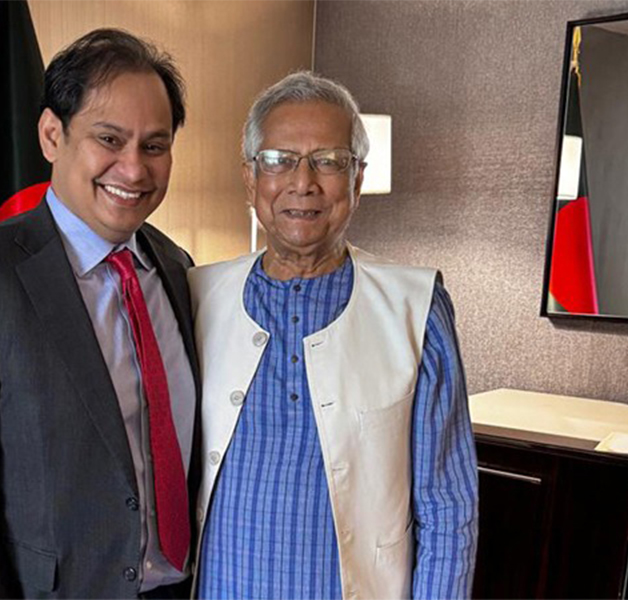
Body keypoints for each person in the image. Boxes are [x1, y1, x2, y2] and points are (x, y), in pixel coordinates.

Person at [0, 29, 199, 599]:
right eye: (109, 139)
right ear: (51, 135)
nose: (133, 170)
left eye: (154, 146)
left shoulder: (178, 267)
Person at [189, 71, 478, 599]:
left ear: (357, 180)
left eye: (329, 161)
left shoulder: (415, 307)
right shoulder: (195, 295)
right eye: (279, 160)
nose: (304, 182)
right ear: (252, 179)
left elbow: (448, 507)